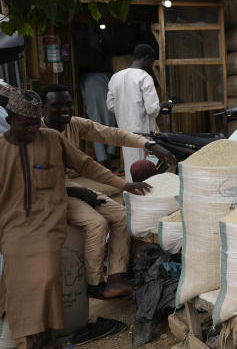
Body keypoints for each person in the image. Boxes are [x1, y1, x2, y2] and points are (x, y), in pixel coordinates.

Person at [0, 89, 150, 349]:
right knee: (17, 285)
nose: (32, 130)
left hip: (47, 220)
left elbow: (86, 165)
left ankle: (41, 339)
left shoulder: (52, 139)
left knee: (45, 278)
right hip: (12, 224)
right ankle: (27, 345)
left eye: (35, 124)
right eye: (25, 126)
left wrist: (123, 184)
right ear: (11, 120)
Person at [40, 84, 176, 298]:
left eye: (68, 104)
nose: (64, 110)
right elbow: (62, 175)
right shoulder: (38, 134)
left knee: (122, 216)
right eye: (56, 105)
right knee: (96, 223)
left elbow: (111, 135)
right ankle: (93, 284)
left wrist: (148, 144)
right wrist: (86, 192)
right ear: (43, 108)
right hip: (50, 193)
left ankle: (115, 276)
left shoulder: (74, 125)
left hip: (70, 186)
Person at [107, 44, 162, 181]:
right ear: (146, 58)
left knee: (130, 168)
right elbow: (152, 109)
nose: (152, 65)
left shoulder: (116, 77)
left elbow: (110, 105)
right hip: (143, 134)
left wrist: (126, 110)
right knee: (144, 171)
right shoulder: (144, 77)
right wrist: (162, 106)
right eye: (152, 62)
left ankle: (130, 197)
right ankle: (140, 199)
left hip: (125, 133)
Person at [79, 71, 117, 166]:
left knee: (95, 128)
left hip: (91, 98)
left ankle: (102, 159)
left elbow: (83, 95)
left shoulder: (83, 79)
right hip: (105, 95)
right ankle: (109, 155)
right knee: (111, 127)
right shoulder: (105, 75)